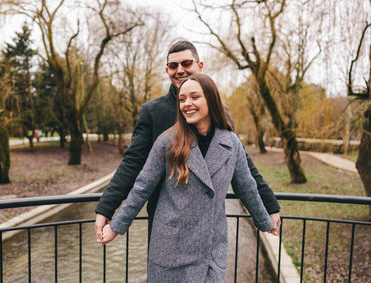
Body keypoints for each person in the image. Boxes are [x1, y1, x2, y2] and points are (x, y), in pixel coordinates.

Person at [100, 73, 275, 283]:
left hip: (210, 251)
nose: (187, 104)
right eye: (182, 99)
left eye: (194, 97)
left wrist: (265, 220)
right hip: (171, 249)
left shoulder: (231, 143)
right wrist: (116, 226)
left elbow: (247, 187)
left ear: (211, 100)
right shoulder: (167, 141)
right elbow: (142, 186)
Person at [95, 40, 281, 243]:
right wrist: (106, 207)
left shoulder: (220, 112)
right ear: (167, 70)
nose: (180, 70)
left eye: (186, 63)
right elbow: (133, 164)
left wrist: (269, 205)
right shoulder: (152, 112)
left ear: (200, 66)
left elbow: (241, 163)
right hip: (165, 226)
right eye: (173, 66)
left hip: (208, 227)